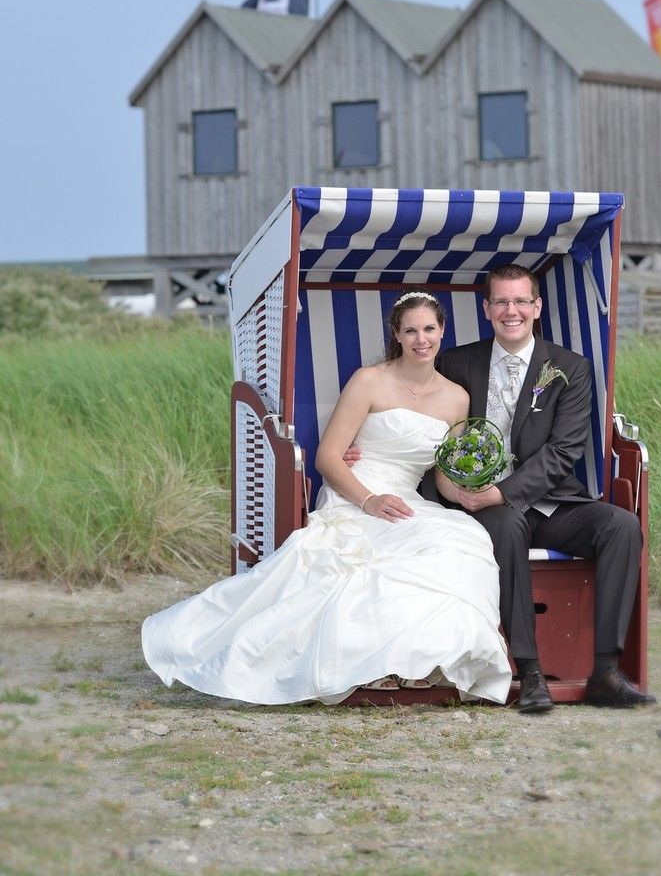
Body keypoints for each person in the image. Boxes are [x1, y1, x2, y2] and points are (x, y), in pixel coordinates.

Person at [141, 291, 512, 706]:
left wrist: (470, 488)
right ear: (397, 334)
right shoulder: (369, 380)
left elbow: (441, 478)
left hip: (406, 497)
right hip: (355, 491)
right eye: (410, 330)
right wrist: (369, 500)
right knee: (375, 559)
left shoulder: (457, 398)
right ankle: (375, 663)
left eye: (428, 329)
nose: (420, 339)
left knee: (463, 538)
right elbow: (327, 457)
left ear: (441, 330)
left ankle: (416, 660)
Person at [435, 264, 655, 713]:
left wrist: (504, 491)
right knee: (510, 525)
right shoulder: (456, 363)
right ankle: (530, 671)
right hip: (481, 504)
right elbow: (427, 424)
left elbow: (563, 451)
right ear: (487, 308)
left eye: (520, 301)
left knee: (622, 526)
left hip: (552, 501)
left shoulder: (570, 368)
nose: (510, 310)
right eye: (500, 301)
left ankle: (605, 671)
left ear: (536, 308)